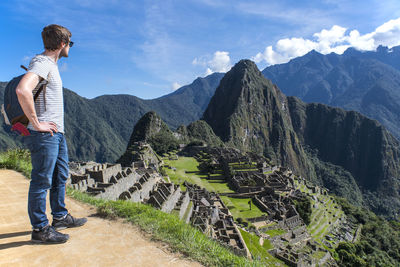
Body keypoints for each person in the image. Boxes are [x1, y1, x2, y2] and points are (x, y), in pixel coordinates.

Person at [16, 24, 87, 244]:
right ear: (63, 44)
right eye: (70, 44)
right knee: (41, 180)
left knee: (59, 176)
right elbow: (22, 89)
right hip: (45, 135)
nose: (70, 48)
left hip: (56, 133)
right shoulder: (42, 62)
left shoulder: (51, 65)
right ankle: (39, 228)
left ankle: (60, 217)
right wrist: (37, 124)